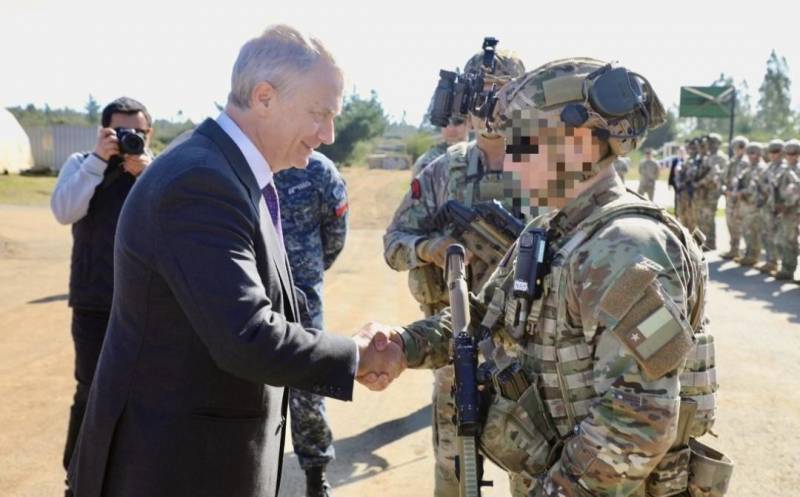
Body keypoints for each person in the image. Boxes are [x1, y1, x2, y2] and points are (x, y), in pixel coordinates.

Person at [66, 25, 402, 497]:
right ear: (264, 97)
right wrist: (357, 354)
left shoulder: (230, 170)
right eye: (319, 114)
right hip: (172, 470)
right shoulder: (200, 182)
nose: (328, 135)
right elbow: (247, 336)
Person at [374, 58, 729, 497]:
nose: (510, 161)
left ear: (577, 142)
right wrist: (401, 346)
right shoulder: (552, 229)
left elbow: (636, 422)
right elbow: (482, 318)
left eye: (521, 144)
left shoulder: (625, 246)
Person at [383, 45, 525, 497]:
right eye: (479, 91)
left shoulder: (547, 166)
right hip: (457, 338)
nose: (489, 103)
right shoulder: (443, 169)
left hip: (530, 345)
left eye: (500, 93)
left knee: (535, 467)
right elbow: (394, 243)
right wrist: (432, 248)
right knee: (454, 468)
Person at [50, 97, 154, 490]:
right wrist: (98, 161)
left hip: (148, 305)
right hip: (94, 302)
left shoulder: (160, 171)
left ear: (150, 133)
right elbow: (64, 211)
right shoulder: (82, 164)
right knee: (90, 392)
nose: (129, 138)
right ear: (103, 132)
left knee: (147, 394)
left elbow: (180, 219)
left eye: (138, 132)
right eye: (119, 132)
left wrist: (144, 173)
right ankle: (77, 478)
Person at [274, 150, 349, 497]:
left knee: (309, 386)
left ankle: (315, 474)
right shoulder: (248, 161)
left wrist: (309, 269)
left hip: (303, 295)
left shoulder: (318, 170)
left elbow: (335, 233)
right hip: (250, 292)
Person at [692, 133, 725, 250]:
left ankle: (710, 243)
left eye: (712, 143)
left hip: (712, 191)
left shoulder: (720, 157)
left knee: (709, 217)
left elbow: (714, 174)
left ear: (718, 144)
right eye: (709, 143)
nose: (710, 145)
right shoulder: (708, 156)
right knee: (702, 217)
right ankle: (704, 241)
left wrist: (701, 182)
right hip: (704, 191)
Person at [757, 139, 786, 274]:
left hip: (779, 209)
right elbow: (761, 183)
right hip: (766, 207)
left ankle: (783, 266)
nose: (774, 155)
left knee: (780, 237)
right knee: (766, 234)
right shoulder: (768, 167)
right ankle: (771, 262)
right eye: (771, 152)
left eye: (777, 152)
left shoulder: (785, 168)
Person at [736, 142, 766, 267]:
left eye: (753, 153)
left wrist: (741, 192)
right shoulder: (749, 168)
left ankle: (753, 256)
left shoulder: (760, 168)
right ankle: (748, 254)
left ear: (759, 154)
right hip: (746, 204)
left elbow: (754, 189)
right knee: (746, 230)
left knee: (753, 231)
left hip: (754, 205)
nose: (751, 156)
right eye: (749, 153)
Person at [774, 139, 800, 281]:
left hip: (794, 211)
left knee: (791, 241)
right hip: (783, 211)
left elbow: (797, 191)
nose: (791, 156)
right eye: (788, 153)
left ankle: (789, 269)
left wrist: (786, 205)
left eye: (794, 153)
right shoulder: (784, 170)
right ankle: (786, 267)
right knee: (784, 240)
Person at [720, 136, 749, 260]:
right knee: (730, 223)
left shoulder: (745, 162)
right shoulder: (732, 161)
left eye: (740, 147)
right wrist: (724, 188)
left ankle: (741, 250)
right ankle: (733, 249)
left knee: (739, 224)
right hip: (729, 197)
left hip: (740, 199)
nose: (738, 150)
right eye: (736, 147)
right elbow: (724, 177)